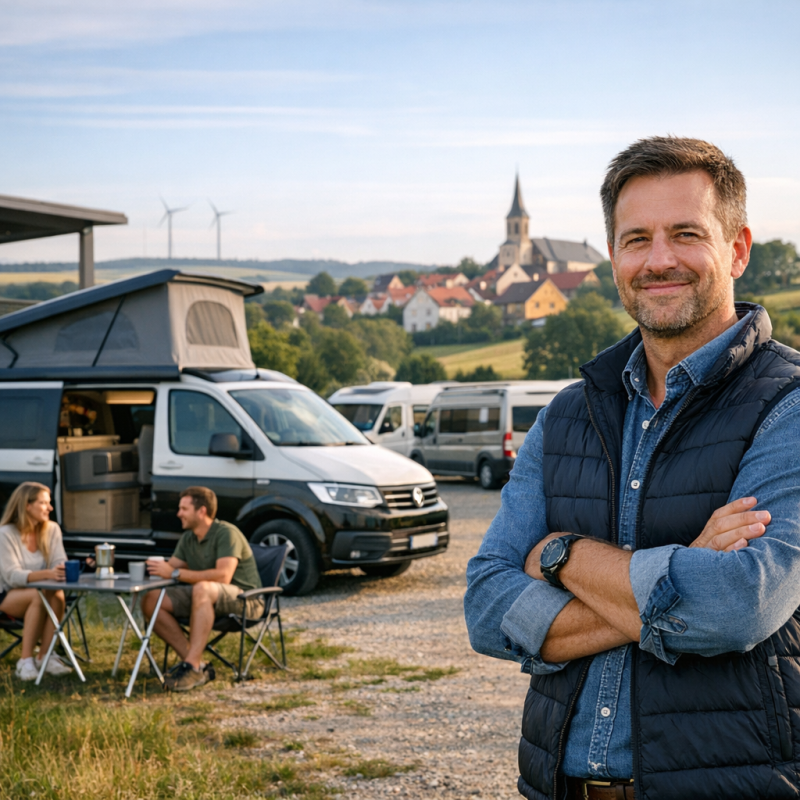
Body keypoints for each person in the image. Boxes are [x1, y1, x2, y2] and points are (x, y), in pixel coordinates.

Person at [465, 136, 800, 799]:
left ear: (736, 248)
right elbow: (483, 607)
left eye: (685, 234)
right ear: (613, 256)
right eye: (636, 238)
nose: (659, 259)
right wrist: (684, 564)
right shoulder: (565, 415)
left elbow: (736, 604)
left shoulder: (788, 406)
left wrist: (561, 555)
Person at [142, 486, 263, 692]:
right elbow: (170, 568)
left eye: (183, 509)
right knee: (152, 599)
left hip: (246, 600)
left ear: (202, 511)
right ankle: (196, 665)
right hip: (206, 597)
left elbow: (224, 576)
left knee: (202, 589)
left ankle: (190, 667)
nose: (178, 513)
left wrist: (174, 573)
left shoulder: (226, 533)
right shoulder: (188, 538)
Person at [0, 482, 72, 680]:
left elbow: (59, 561)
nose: (50, 508)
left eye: (49, 503)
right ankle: (24, 661)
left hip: (41, 592)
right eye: (43, 503)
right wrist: (48, 574)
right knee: (37, 596)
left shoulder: (52, 530)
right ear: (26, 506)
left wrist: (62, 569)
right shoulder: (6, 534)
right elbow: (12, 577)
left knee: (57, 594)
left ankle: (45, 656)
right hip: (6, 594)